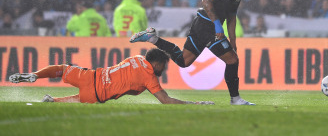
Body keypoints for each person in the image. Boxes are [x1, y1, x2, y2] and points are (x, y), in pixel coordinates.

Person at [130, 0, 256, 105]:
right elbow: (207, 2)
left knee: (184, 60)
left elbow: (231, 15)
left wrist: (233, 41)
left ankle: (153, 38)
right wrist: (217, 25)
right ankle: (235, 99)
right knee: (232, 60)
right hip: (207, 25)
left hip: (201, 24)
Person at [9, 48, 214, 105]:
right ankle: (52, 101)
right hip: (96, 95)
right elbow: (166, 100)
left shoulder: (136, 58)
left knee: (63, 68)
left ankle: (35, 75)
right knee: (74, 101)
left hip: (90, 76)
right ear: (156, 63)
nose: (164, 69)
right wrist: (194, 103)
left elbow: (129, 83)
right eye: (163, 65)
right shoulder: (149, 76)